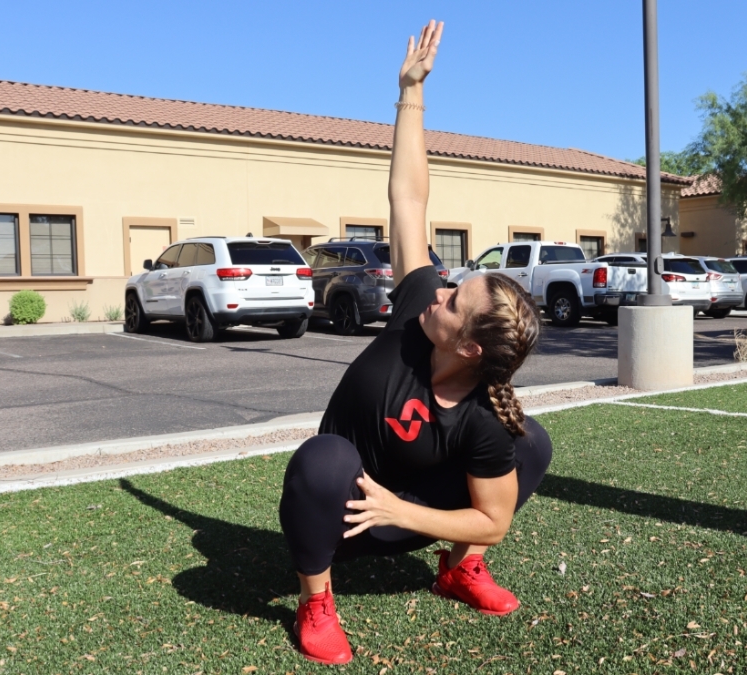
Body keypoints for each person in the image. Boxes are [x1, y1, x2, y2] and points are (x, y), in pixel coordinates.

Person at [278, 20, 552, 665]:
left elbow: (494, 521)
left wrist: (402, 510)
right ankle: (316, 599)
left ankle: (458, 572)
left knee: (531, 442)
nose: (439, 295)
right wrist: (410, 93)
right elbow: (408, 199)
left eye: (455, 302)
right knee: (322, 458)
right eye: (449, 287)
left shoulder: (483, 415)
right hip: (342, 515)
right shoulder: (412, 313)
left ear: (470, 349)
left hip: (403, 512)